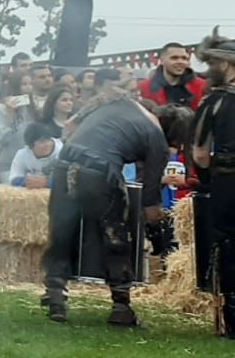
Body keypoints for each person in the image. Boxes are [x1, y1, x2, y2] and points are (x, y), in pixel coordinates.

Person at [42, 93, 194, 326]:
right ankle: (121, 305)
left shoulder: (121, 102)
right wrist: (159, 238)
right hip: (100, 171)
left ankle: (55, 294)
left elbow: (85, 113)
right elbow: (151, 200)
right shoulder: (156, 138)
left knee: (63, 230)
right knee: (115, 236)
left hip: (65, 162)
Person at [191, 29, 235, 338]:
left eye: (213, 63)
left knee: (229, 245)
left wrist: (208, 177)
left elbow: (200, 154)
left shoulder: (215, 103)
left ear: (227, 64)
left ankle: (231, 321)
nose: (208, 71)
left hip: (228, 182)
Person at [140, 41, 208, 109]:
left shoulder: (202, 86)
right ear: (162, 60)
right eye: (174, 58)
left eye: (184, 58)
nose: (180, 62)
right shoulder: (144, 88)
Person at [9, 121, 62, 189]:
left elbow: (67, 183)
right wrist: (28, 181)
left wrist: (47, 182)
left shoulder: (62, 152)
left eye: (48, 139)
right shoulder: (22, 154)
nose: (47, 144)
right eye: (42, 141)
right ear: (31, 146)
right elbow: (13, 178)